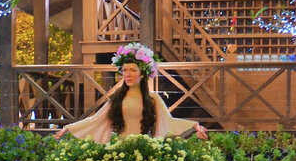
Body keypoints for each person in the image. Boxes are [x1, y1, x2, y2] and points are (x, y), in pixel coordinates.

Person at [54, 42, 208, 142]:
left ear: (142, 73)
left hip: (144, 148)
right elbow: (96, 119)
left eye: (133, 70)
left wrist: (195, 126)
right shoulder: (117, 98)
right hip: (120, 149)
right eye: (125, 70)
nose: (128, 74)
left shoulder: (152, 98)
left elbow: (169, 121)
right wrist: (69, 128)